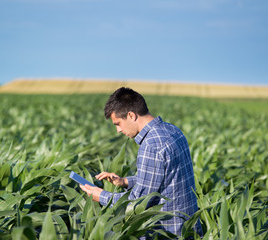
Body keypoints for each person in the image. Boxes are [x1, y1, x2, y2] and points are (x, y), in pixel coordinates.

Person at [80, 87, 203, 237]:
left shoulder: (151, 145)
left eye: (118, 123)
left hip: (167, 233)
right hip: (189, 229)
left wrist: (102, 196)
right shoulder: (173, 130)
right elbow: (164, 177)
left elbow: (137, 204)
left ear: (131, 115)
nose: (118, 130)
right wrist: (124, 181)